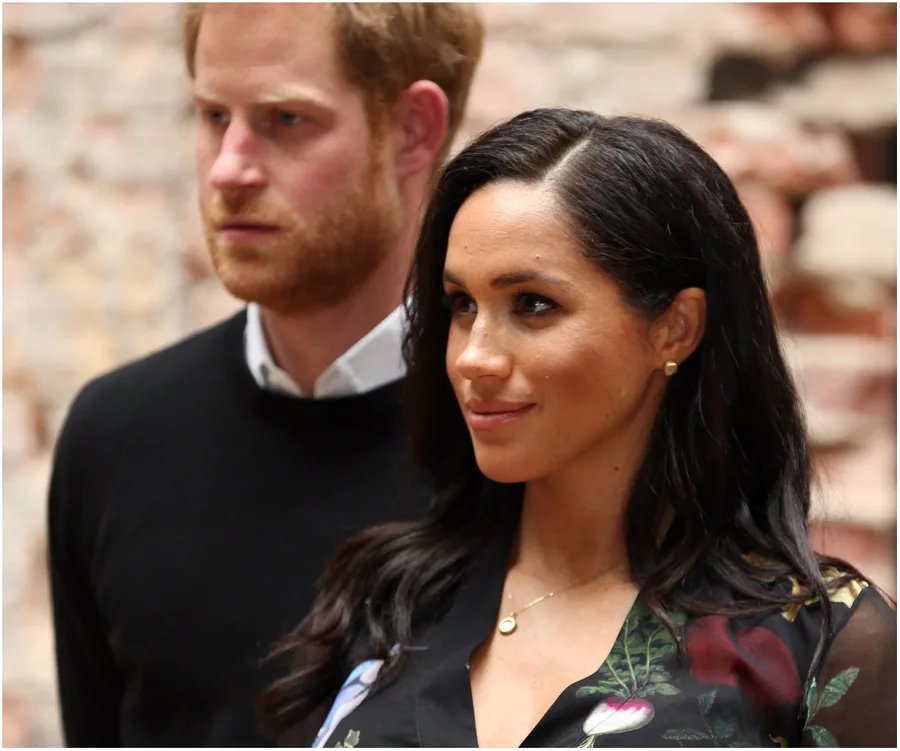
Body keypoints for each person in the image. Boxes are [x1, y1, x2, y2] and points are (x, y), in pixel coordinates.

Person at [259, 108, 897, 748]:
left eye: (533, 305)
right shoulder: (393, 597)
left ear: (675, 327)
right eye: (461, 304)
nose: (474, 355)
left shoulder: (823, 644)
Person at [46, 3, 484, 746]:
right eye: (214, 115)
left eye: (285, 120)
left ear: (413, 129)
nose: (229, 169)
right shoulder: (114, 435)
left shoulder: (517, 443)